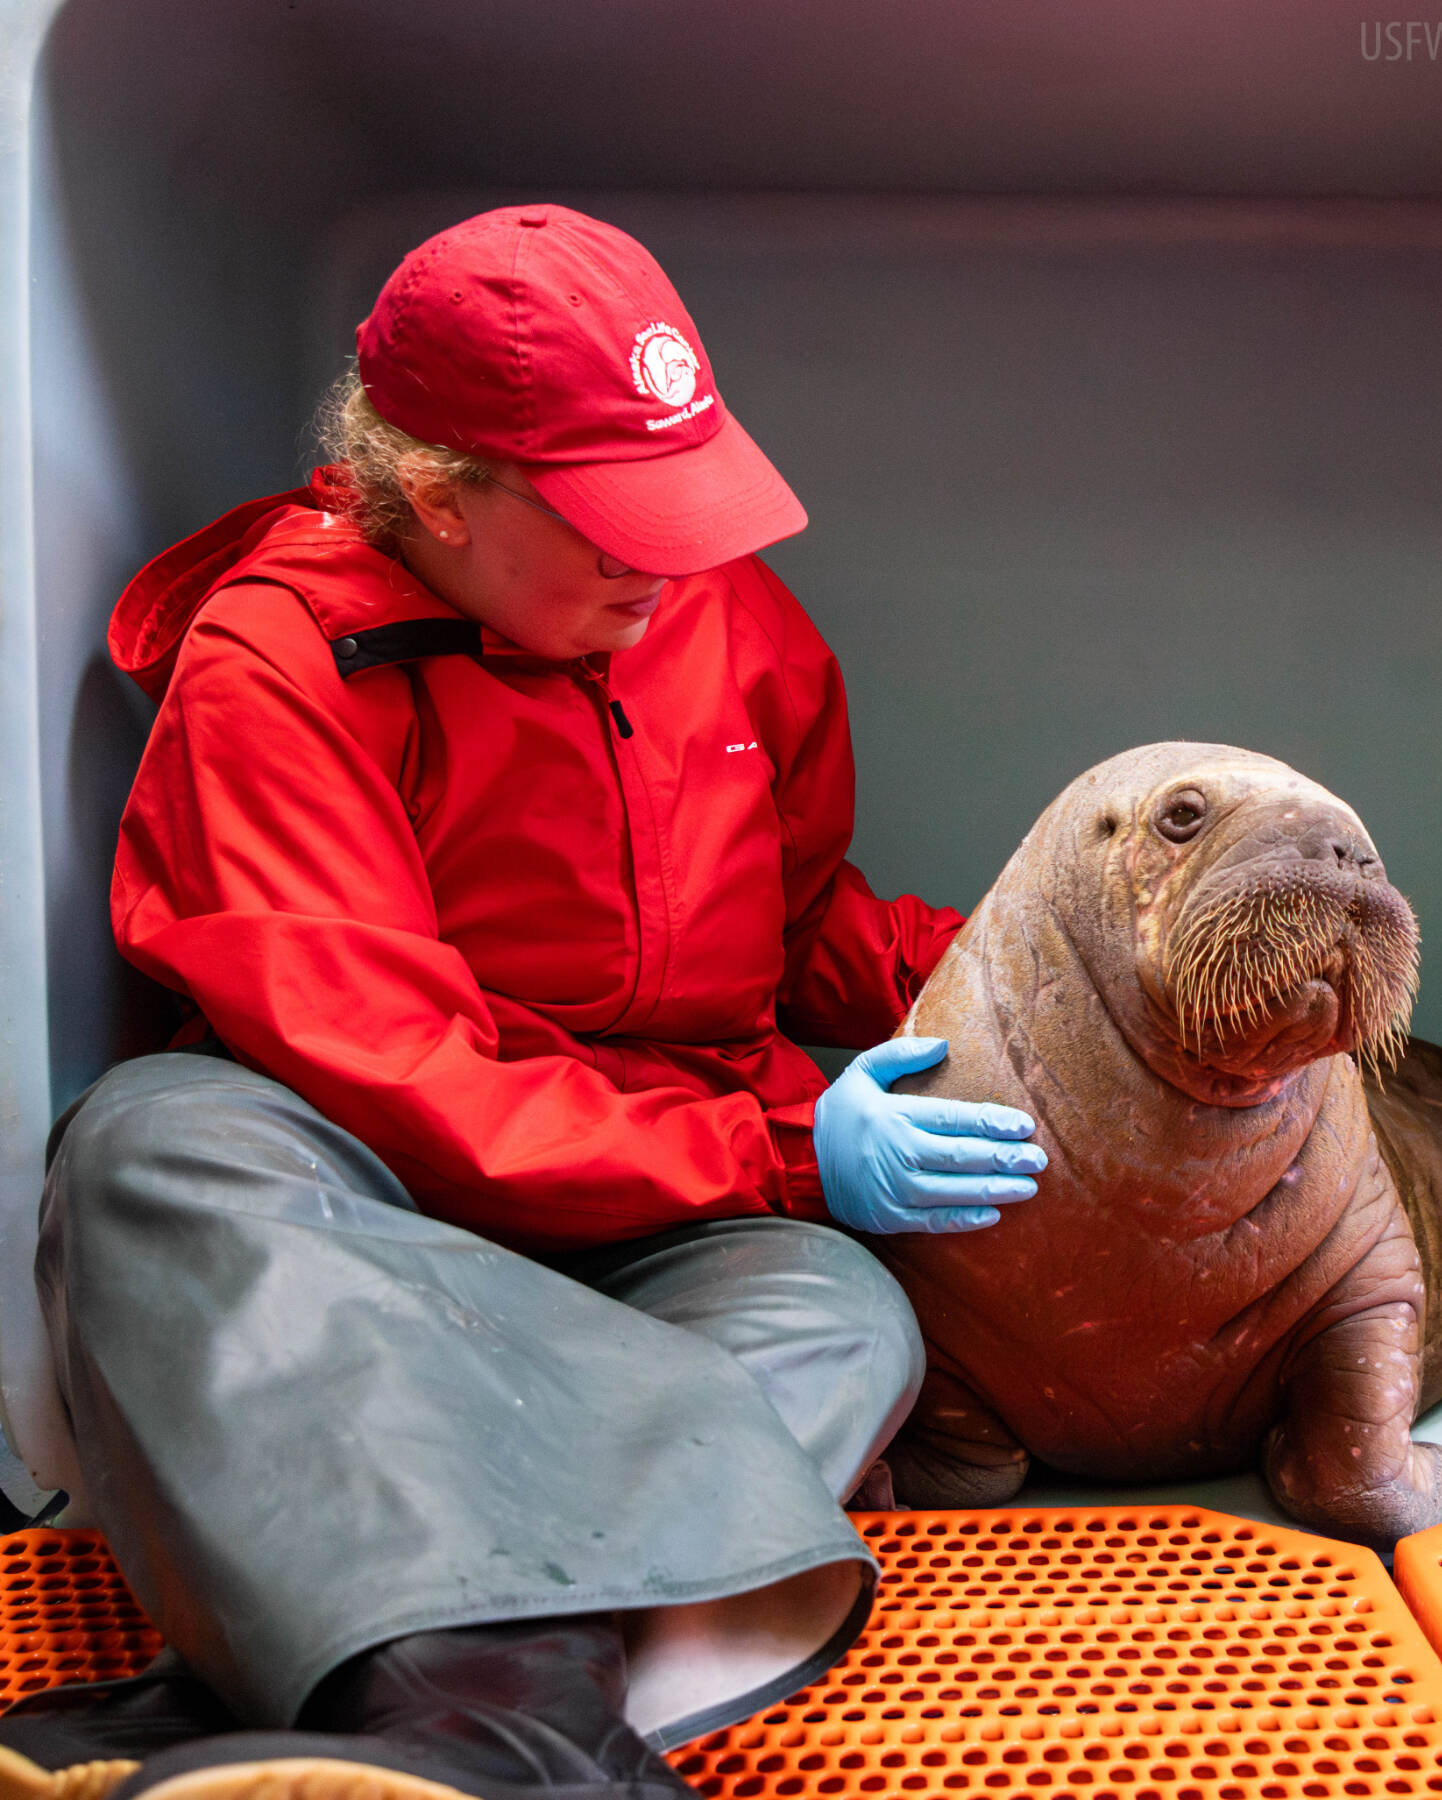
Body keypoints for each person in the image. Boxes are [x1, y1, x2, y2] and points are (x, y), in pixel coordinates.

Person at [0, 206, 1046, 1800]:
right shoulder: (277, 660)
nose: (672, 562)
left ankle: (424, 1716)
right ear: (435, 500)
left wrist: (1057, 977)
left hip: (662, 1201)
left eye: (686, 505)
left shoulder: (725, 612)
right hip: (375, 1205)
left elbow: (794, 913)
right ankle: (527, 1737)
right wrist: (774, 1162)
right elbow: (392, 1066)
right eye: (617, 526)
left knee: (841, 1315)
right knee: (153, 1147)